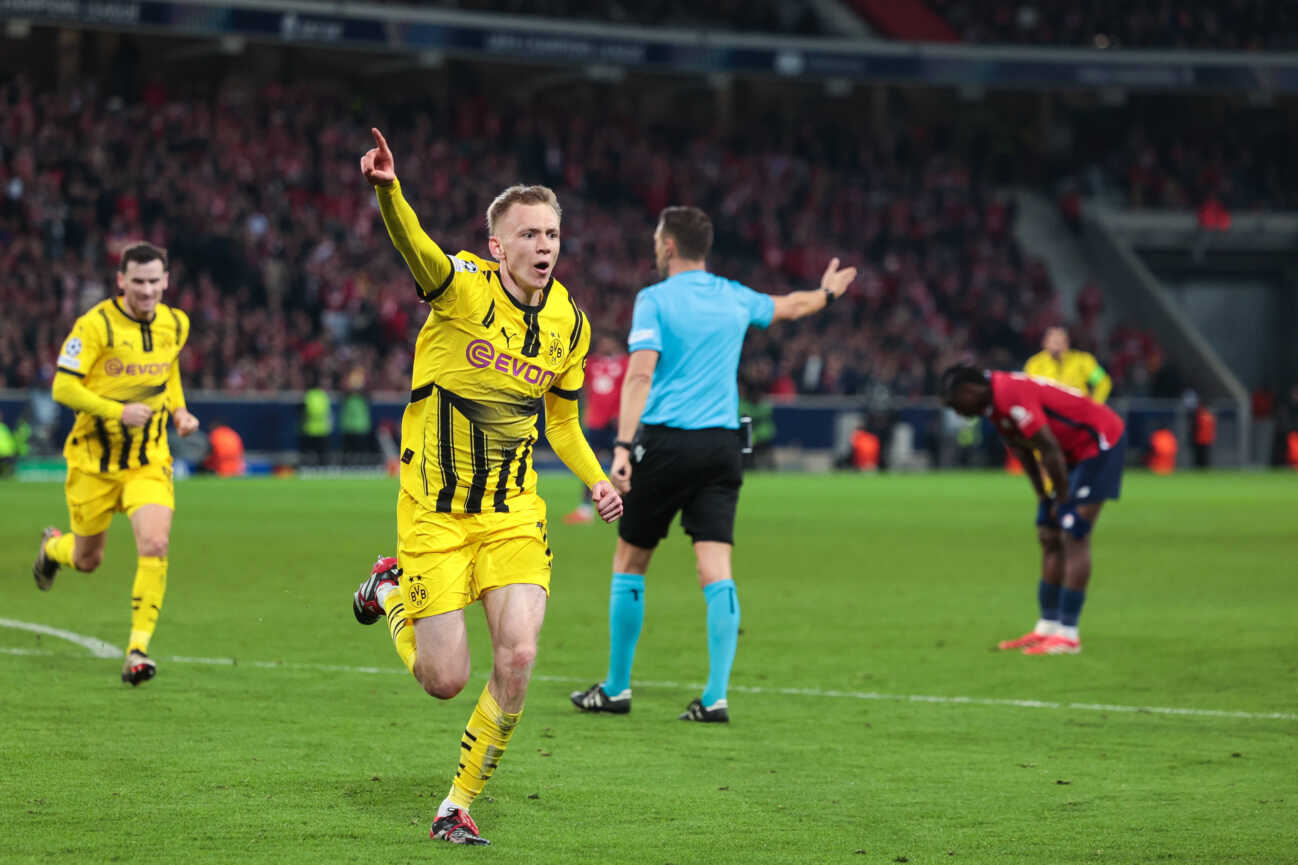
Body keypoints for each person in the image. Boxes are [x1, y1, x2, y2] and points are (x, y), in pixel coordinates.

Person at [349, 128, 623, 846]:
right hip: (435, 514)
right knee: (444, 679)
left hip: (511, 516)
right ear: (497, 245)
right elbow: (418, 250)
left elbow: (561, 422)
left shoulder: (570, 321)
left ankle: (456, 803)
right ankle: (389, 590)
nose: (544, 244)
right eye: (528, 233)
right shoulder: (462, 289)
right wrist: (389, 192)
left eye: (553, 232)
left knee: (521, 656)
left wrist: (596, 482)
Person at [570, 206, 856, 722]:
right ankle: (716, 695)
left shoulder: (654, 300)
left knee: (631, 561)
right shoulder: (733, 295)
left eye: (659, 239)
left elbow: (639, 377)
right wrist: (830, 293)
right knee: (716, 567)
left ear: (669, 246)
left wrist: (620, 447)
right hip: (723, 445)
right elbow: (791, 306)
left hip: (664, 445)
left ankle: (615, 688)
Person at [31, 242, 199, 685]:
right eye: (138, 282)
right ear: (121, 281)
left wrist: (179, 411)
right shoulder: (95, 325)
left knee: (156, 545)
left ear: (167, 281)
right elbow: (63, 388)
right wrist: (116, 410)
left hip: (149, 460)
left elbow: (169, 371)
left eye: (154, 281)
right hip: (93, 462)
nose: (147, 291)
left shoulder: (175, 323)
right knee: (88, 560)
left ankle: (137, 650)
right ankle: (52, 548)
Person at [939, 365, 1127, 655]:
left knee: (1074, 531)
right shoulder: (991, 404)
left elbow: (1047, 447)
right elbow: (1022, 451)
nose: (957, 413)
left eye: (955, 405)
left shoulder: (1008, 394)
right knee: (1048, 533)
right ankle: (1047, 626)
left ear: (969, 391)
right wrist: (1043, 497)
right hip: (1070, 453)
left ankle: (1069, 635)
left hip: (1099, 442)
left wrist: (1062, 501)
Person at [564, 334, 626, 524]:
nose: (606, 344)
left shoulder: (625, 362)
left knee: (622, 466)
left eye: (609, 341)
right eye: (603, 341)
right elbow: (579, 384)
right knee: (590, 465)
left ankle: (626, 507)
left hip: (617, 423)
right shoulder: (590, 363)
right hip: (596, 422)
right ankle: (585, 510)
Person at [1024, 326, 1112, 403]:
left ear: (1067, 343)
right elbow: (1028, 391)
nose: (1057, 346)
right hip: (1048, 414)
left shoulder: (1083, 361)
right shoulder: (1035, 364)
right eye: (1054, 342)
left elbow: (1103, 382)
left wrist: (1094, 406)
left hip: (1077, 413)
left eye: (1061, 342)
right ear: (1045, 343)